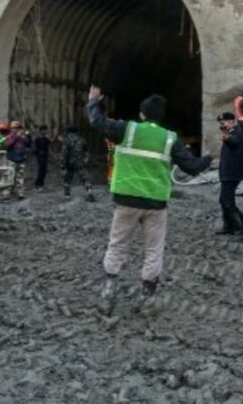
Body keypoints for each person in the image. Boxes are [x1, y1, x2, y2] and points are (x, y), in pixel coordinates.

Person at [87, 85, 211, 316]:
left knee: (117, 245)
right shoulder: (169, 138)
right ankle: (148, 300)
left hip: (126, 200)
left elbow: (97, 122)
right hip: (155, 203)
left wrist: (93, 101)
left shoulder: (127, 130)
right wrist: (209, 158)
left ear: (142, 114)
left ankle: (107, 295)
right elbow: (192, 167)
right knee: (153, 250)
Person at [216, 111, 243, 238]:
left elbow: (234, 142)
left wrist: (227, 137)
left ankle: (240, 227)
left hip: (232, 173)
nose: (223, 125)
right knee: (224, 200)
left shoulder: (237, 132)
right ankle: (228, 226)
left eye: (224, 123)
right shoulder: (232, 132)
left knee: (227, 201)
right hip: (227, 172)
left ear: (231, 121)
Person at [61, 125, 94, 201]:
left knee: (67, 180)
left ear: (68, 132)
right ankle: (89, 192)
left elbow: (64, 154)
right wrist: (86, 160)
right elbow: (87, 151)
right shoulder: (82, 140)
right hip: (80, 163)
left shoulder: (66, 141)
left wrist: (62, 166)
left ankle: (67, 196)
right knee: (85, 179)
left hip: (69, 164)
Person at [4, 121, 31, 200]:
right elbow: (7, 145)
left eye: (17, 128)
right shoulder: (9, 137)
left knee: (20, 178)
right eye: (14, 128)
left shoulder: (22, 137)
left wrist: (28, 136)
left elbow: (28, 144)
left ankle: (20, 194)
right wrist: (16, 137)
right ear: (11, 129)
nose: (15, 130)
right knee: (10, 177)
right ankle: (7, 194)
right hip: (12, 159)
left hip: (21, 159)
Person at [33, 124, 51, 190]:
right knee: (41, 170)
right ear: (41, 130)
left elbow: (49, 143)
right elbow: (34, 148)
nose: (45, 131)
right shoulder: (37, 138)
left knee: (44, 170)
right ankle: (37, 184)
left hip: (45, 156)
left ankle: (41, 184)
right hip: (40, 156)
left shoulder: (45, 138)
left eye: (46, 130)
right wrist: (40, 152)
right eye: (44, 130)